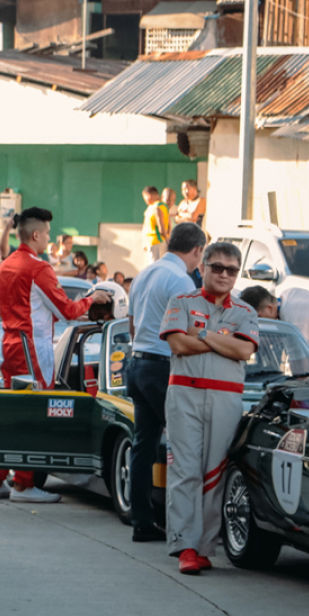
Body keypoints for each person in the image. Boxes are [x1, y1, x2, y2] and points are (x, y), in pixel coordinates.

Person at [0, 207, 111, 503]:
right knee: (35, 416)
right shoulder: (38, 267)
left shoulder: (6, 264)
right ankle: (24, 485)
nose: (50, 238)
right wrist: (93, 299)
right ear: (36, 234)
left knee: (10, 415)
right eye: (48, 232)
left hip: (9, 344)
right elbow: (67, 310)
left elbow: (46, 309)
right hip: (33, 350)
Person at [160, 241, 259, 574]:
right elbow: (176, 342)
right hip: (184, 395)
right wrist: (223, 340)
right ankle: (185, 546)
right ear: (202, 267)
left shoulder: (246, 311)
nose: (223, 274)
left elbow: (244, 351)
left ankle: (205, 546)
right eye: (216, 267)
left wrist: (201, 333)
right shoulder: (182, 301)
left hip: (226, 399)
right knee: (185, 471)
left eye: (231, 269)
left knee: (215, 473)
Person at [124, 222, 207, 542]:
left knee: (143, 447)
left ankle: (142, 521)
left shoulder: (145, 273)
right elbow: (188, 332)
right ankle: (182, 526)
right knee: (185, 443)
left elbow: (132, 326)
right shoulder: (180, 280)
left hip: (138, 362)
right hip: (162, 367)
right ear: (198, 250)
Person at [238, 285, 309, 364]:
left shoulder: (295, 322)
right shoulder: (289, 293)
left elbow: (301, 363)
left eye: (257, 318)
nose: (257, 323)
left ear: (269, 308)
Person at [141, 186, 170, 262]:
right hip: (152, 243)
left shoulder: (158, 206)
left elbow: (162, 226)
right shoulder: (152, 206)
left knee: (156, 267)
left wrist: (167, 239)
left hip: (157, 242)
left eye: (144, 197)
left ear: (148, 196)